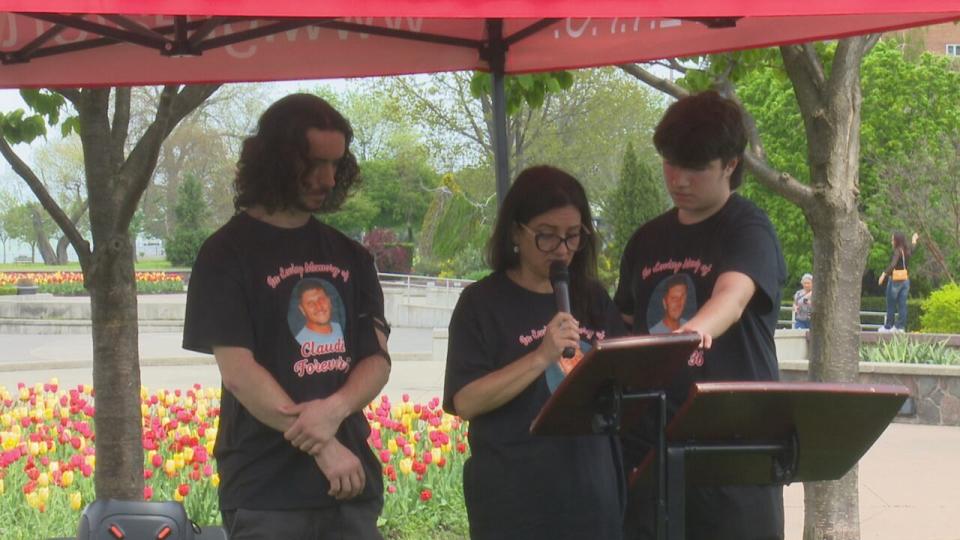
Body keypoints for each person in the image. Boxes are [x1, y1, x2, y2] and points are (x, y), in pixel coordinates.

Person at [182, 93, 392, 539]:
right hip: (266, 491)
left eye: (336, 165)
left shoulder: (352, 256)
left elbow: (376, 361)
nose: (327, 178)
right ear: (275, 161)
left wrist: (335, 411)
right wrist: (325, 446)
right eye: (314, 163)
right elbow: (239, 371)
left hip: (351, 484)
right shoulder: (225, 255)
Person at [615, 91, 787, 540]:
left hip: (733, 455)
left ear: (730, 163)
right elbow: (623, 326)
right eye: (670, 163)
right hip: (653, 454)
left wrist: (690, 334)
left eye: (695, 167)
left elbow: (731, 298)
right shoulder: (646, 240)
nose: (679, 179)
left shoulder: (748, 227)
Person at [443, 165, 628, 540]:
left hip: (592, 494)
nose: (562, 250)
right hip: (516, 501)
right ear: (515, 231)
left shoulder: (592, 299)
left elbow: (624, 379)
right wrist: (541, 357)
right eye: (547, 237)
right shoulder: (481, 303)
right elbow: (466, 400)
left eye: (573, 236)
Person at [878, 231, 919, 333]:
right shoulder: (906, 250)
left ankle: (888, 327)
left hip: (895, 280)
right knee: (902, 304)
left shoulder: (897, 251)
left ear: (897, 241)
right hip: (905, 280)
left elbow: (893, 264)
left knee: (891, 303)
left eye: (893, 240)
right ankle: (900, 327)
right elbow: (913, 249)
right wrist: (914, 240)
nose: (892, 242)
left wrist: (883, 274)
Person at [294, 279, 345, 347]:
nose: (319, 307)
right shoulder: (300, 341)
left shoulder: (339, 327)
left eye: (321, 299)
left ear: (329, 301)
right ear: (302, 310)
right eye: (311, 304)